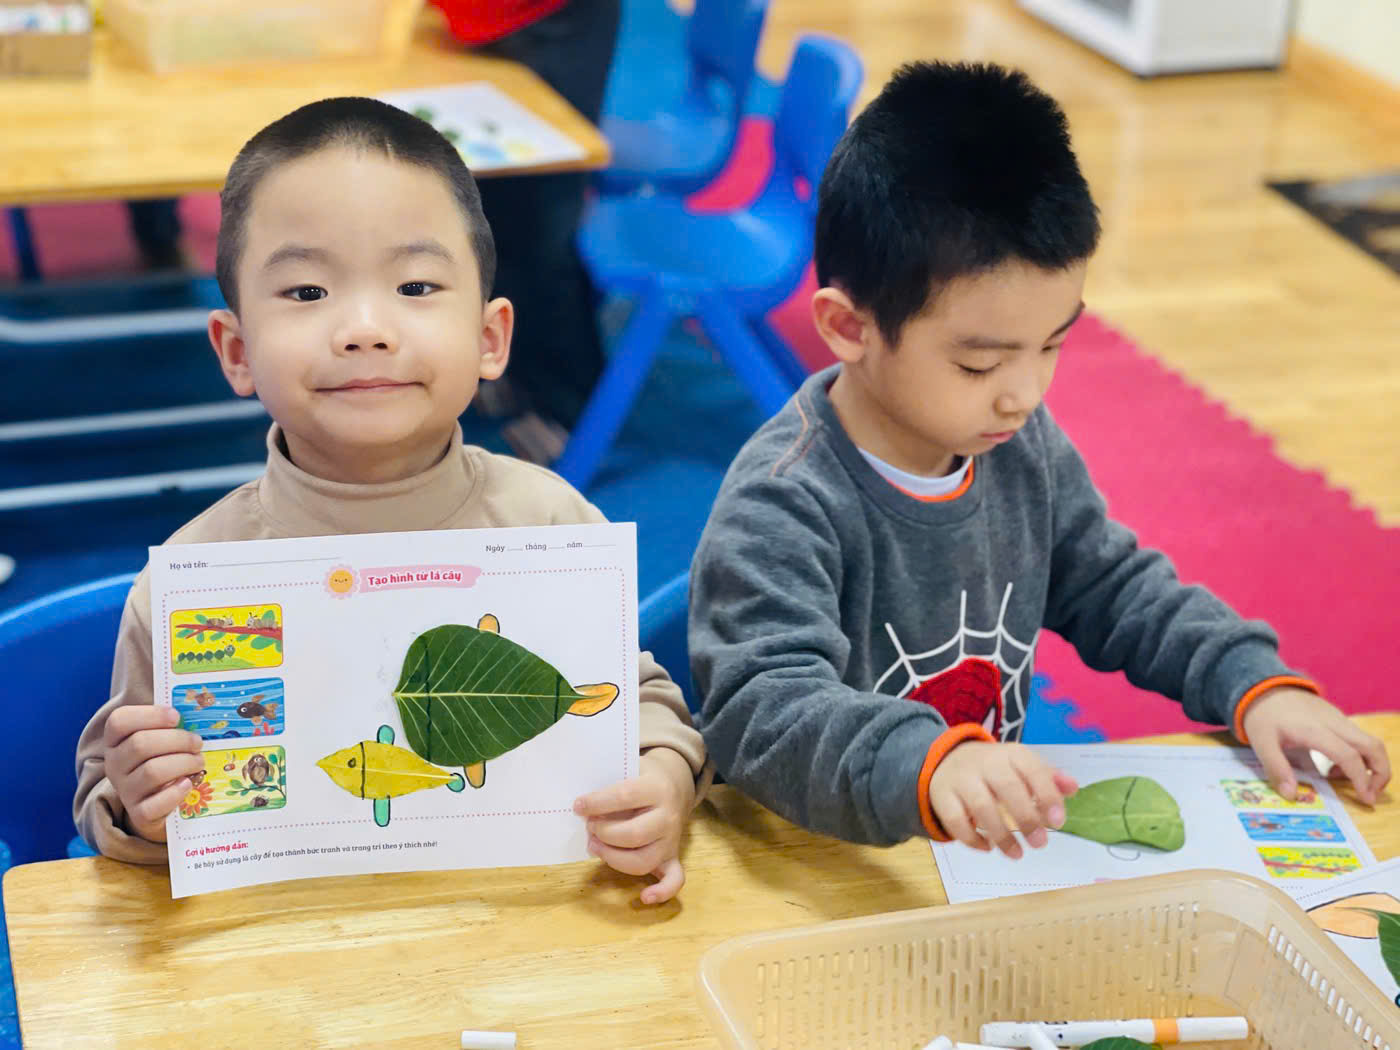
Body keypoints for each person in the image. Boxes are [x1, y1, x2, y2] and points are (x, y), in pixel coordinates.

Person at [687, 61, 1390, 860]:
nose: (1023, 395)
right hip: (817, 867)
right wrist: (930, 763)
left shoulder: (1020, 445)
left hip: (975, 856)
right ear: (849, 329)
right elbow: (762, 711)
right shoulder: (783, 500)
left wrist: (1251, 684)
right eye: (980, 364)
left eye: (1052, 345)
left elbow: (1113, 586)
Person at [74, 97, 707, 904]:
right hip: (291, 944)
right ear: (236, 351)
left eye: (415, 284)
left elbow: (641, 707)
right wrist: (142, 809)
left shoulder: (551, 528)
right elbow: (110, 802)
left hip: (519, 932)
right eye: (307, 291)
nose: (365, 328)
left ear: (490, 339)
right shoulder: (196, 580)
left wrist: (662, 780)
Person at [433, 0, 622, 463]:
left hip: (542, 21)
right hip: (490, 22)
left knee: (539, 226)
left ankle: (567, 408)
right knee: (489, 215)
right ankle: (512, 370)